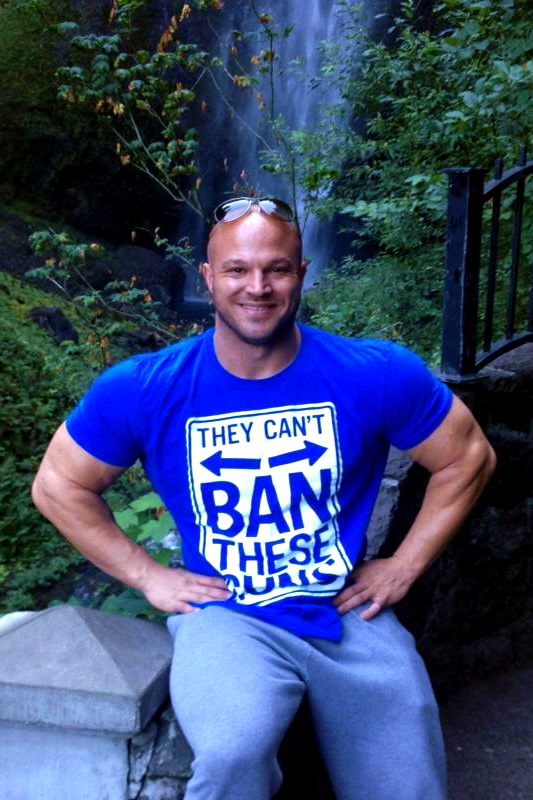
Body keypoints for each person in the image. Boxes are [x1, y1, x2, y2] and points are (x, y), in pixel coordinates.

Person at [32, 196, 496, 800]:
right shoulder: (145, 387)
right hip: (226, 613)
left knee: (407, 771)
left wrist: (405, 565)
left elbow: (468, 456)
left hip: (345, 608)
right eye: (237, 270)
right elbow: (58, 484)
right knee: (233, 751)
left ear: (301, 273)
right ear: (208, 278)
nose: (258, 287)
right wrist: (147, 575)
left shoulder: (372, 373)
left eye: (277, 269)